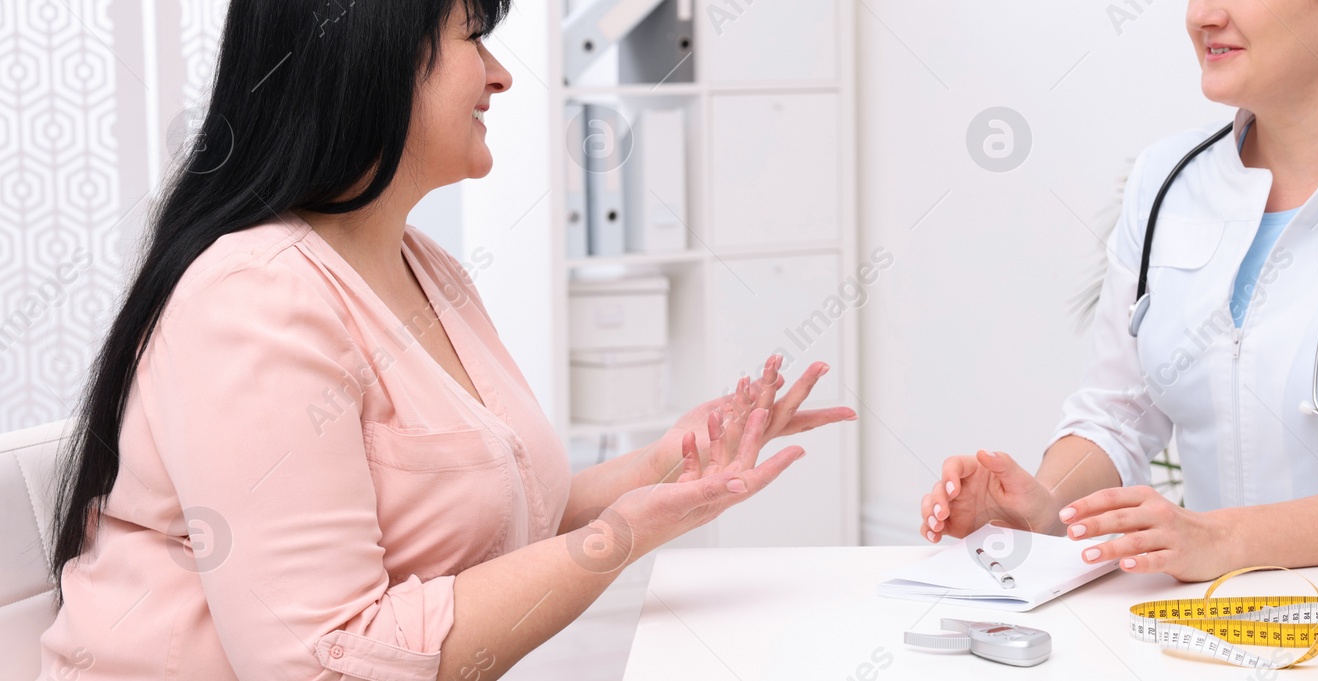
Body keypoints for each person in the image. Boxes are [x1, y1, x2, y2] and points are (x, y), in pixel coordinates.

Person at [38, 1, 854, 678]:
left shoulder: (427, 269)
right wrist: (626, 533)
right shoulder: (251, 298)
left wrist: (668, 463)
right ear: (371, 60)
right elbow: (321, 665)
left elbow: (492, 525)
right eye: (474, 38)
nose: (499, 75)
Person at [920, 0, 1318, 582]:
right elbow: (1117, 414)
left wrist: (1222, 540)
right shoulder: (1167, 180)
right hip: (1201, 627)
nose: (1202, 15)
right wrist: (1042, 503)